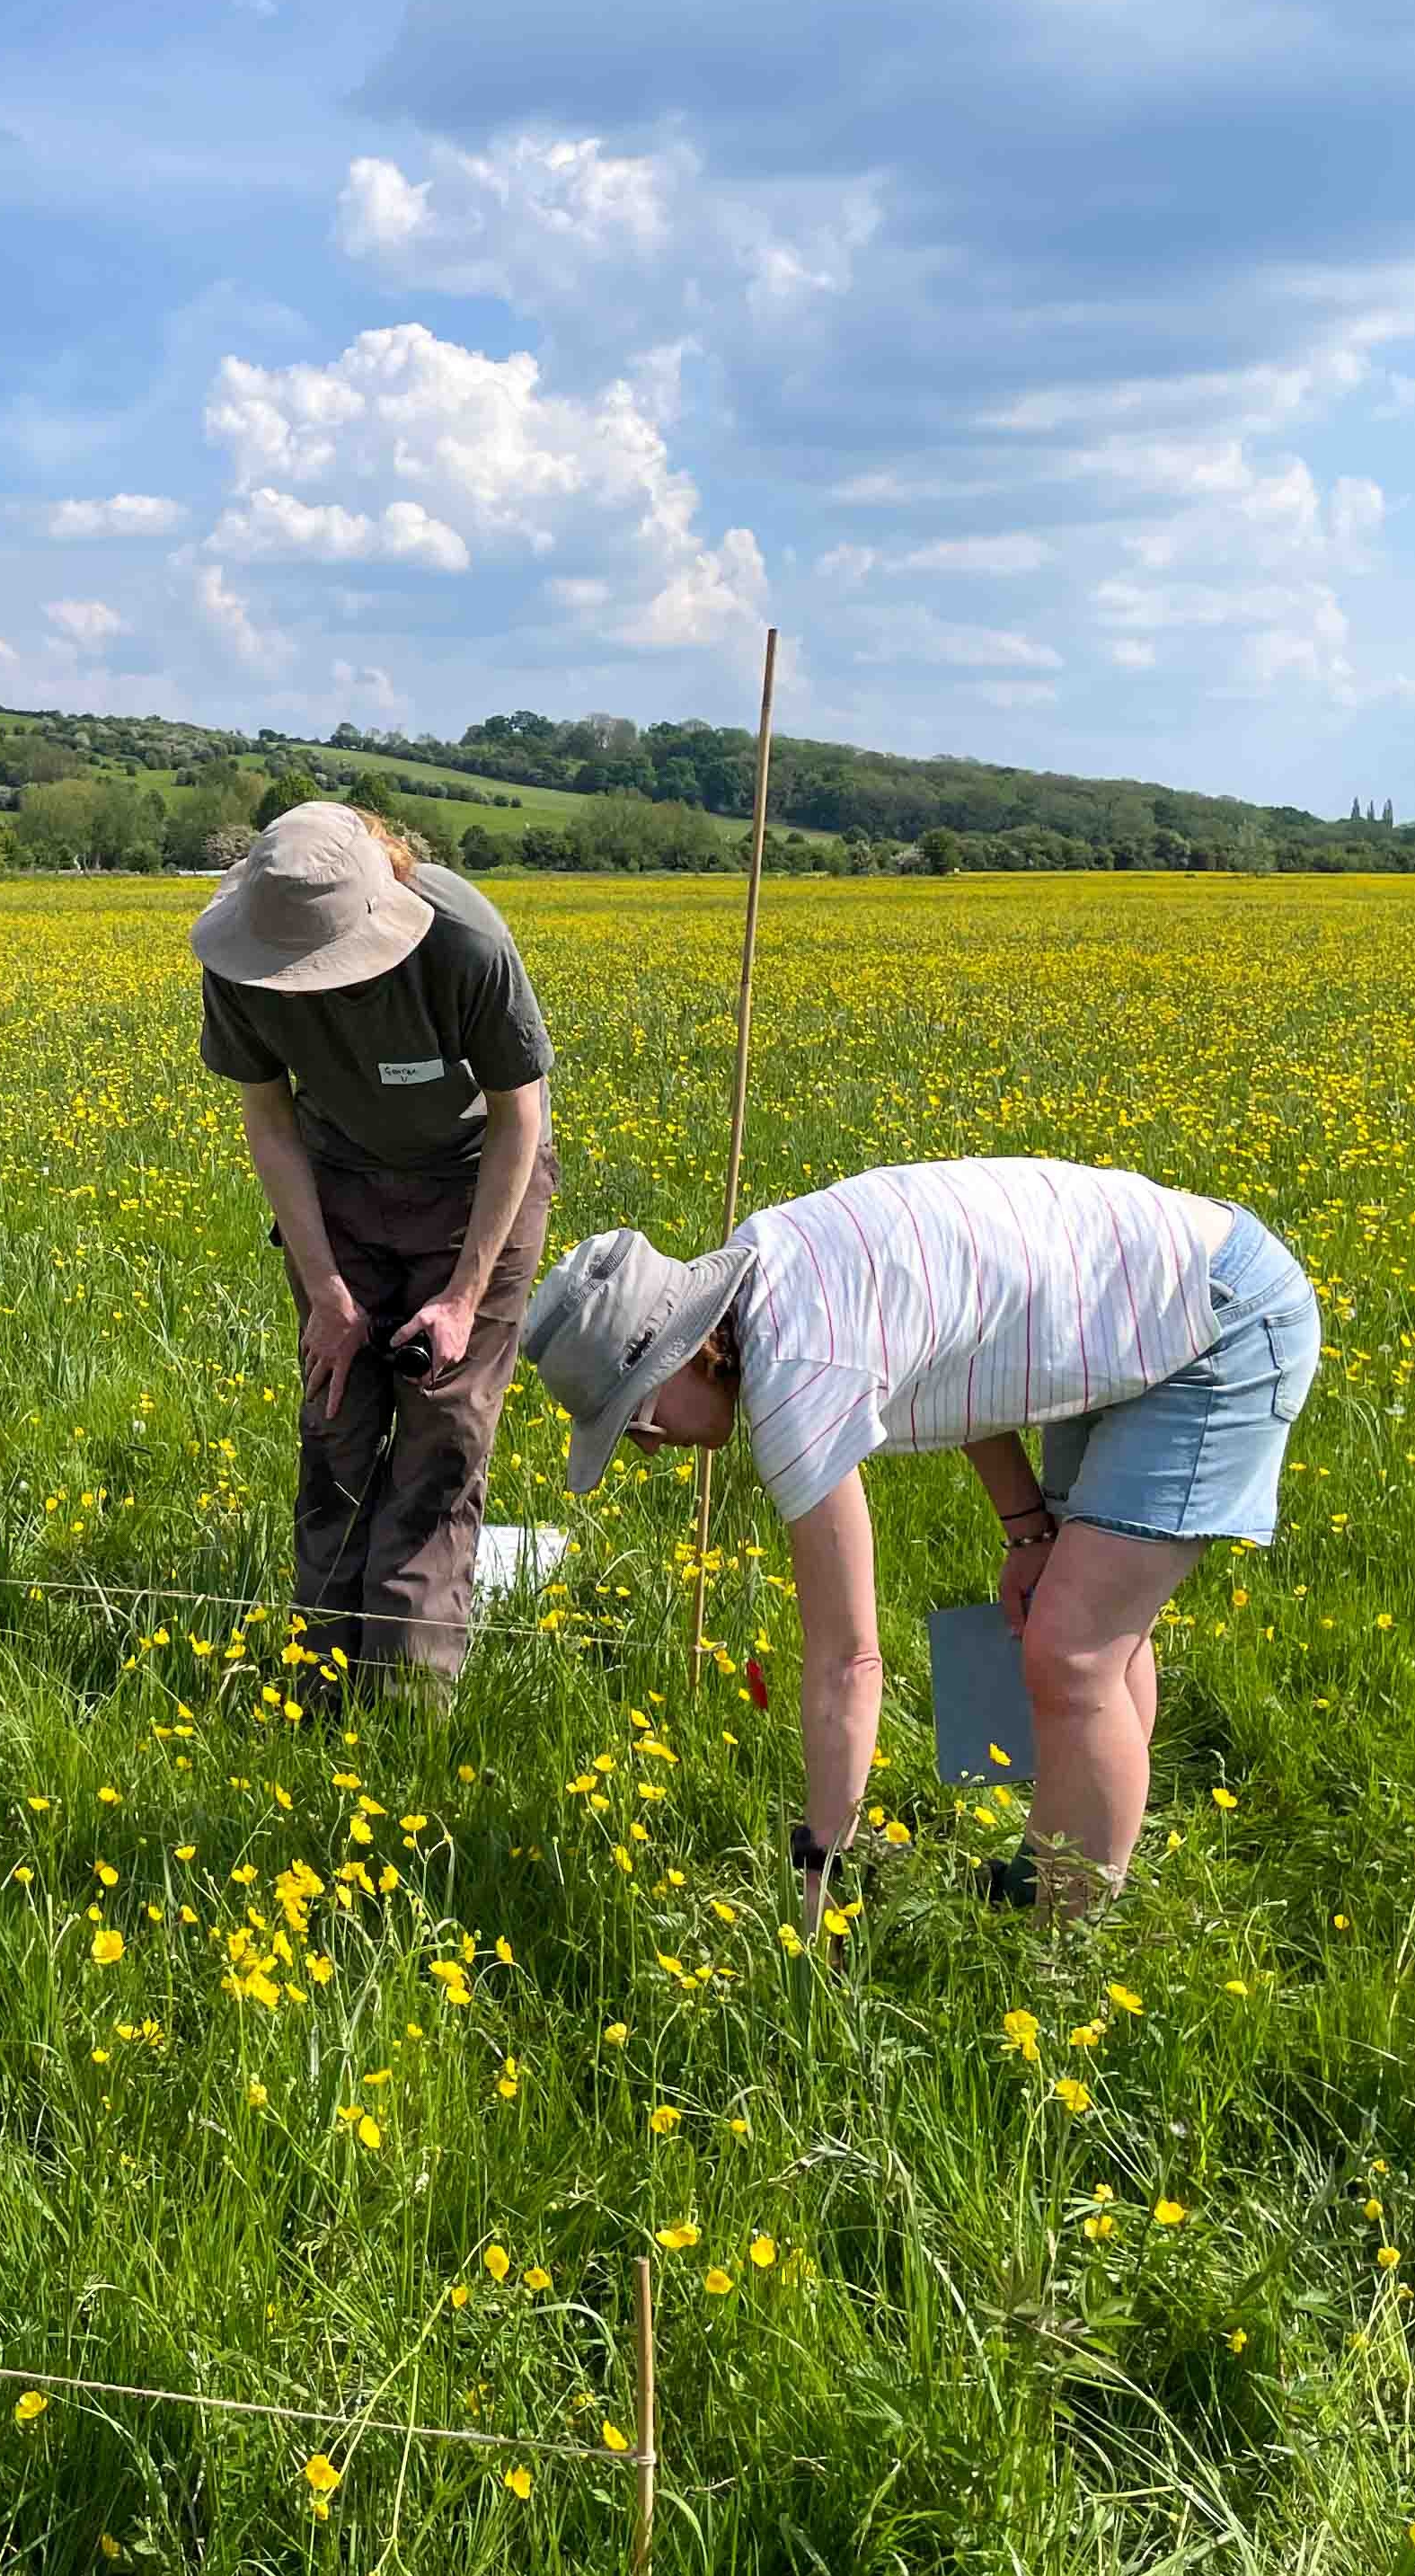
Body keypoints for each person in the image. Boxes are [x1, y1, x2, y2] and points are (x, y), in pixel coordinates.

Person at [521, 1158, 1319, 1919]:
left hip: (1217, 1319)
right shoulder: (772, 1268)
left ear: (682, 1355)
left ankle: (1061, 1952)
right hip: (1132, 1303)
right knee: (1083, 1628)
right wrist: (1027, 1533)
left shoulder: (795, 1369)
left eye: (636, 1420)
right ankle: (1066, 1871)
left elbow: (848, 1661)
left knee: (1075, 1654)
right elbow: (958, 1352)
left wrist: (820, 1870)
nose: (651, 1447)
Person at [196, 799, 558, 1699]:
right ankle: (316, 1682)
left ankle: (406, 1702)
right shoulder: (239, 958)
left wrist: (463, 1298)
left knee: (441, 1433)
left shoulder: (465, 943)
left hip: (476, 1185)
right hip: (338, 1182)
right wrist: (327, 1292)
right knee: (336, 1422)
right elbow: (270, 1119)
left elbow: (519, 1118)